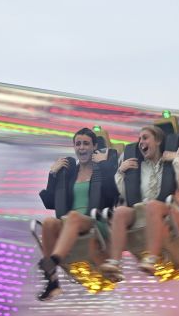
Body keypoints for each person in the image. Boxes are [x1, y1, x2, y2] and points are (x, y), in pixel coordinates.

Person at [36, 127, 118, 301]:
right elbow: (50, 203)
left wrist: (104, 165)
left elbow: (113, 195)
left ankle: (54, 260)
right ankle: (53, 283)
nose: (82, 147)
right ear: (74, 147)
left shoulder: (103, 168)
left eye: (86, 144)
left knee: (72, 217)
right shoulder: (70, 173)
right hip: (70, 223)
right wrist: (52, 174)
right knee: (49, 222)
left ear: (94, 146)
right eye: (78, 144)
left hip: (95, 221)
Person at [99, 125, 179, 281]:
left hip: (170, 209)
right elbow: (123, 193)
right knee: (120, 212)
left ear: (159, 141)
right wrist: (120, 171)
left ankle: (151, 258)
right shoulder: (138, 166)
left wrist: (176, 159)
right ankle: (114, 263)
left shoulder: (173, 162)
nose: (141, 142)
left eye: (145, 138)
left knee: (152, 205)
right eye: (139, 139)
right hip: (142, 210)